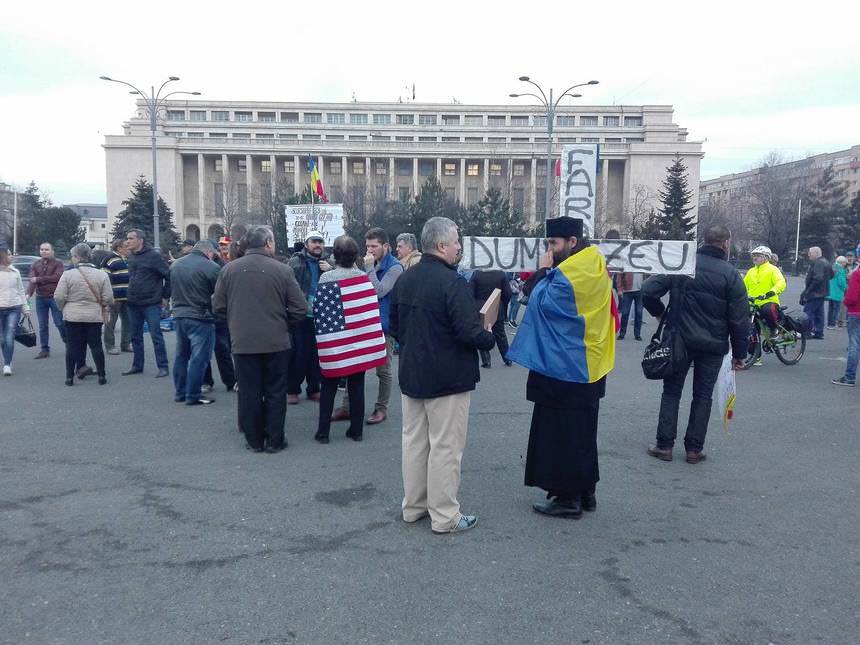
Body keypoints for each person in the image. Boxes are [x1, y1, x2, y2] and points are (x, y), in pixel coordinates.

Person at [390, 217, 495, 534]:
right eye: (455, 242)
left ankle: (414, 507)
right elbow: (469, 332)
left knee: (415, 444)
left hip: (413, 372)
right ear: (441, 246)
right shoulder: (452, 283)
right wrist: (488, 333)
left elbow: (393, 326)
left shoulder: (405, 279)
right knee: (445, 447)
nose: (459, 247)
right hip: (447, 377)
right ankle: (445, 515)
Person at [507, 216, 616, 518]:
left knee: (562, 433)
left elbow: (537, 298)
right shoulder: (594, 262)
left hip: (565, 365)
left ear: (572, 242)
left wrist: (542, 270)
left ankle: (568, 499)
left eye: (553, 244)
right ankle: (585, 491)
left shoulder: (571, 273)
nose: (550, 249)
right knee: (582, 432)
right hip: (589, 363)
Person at [643, 225, 748, 464]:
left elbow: (648, 290)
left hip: (679, 340)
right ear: (726, 243)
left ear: (704, 240)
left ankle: (664, 445)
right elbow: (739, 319)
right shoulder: (731, 274)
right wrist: (739, 354)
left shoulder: (683, 264)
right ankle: (694, 449)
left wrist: (661, 315)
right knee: (703, 395)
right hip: (713, 344)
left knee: (671, 392)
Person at [213, 225, 307, 453]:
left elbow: (218, 306)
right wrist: (283, 323)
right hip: (276, 340)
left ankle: (254, 440)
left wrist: (236, 323)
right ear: (268, 243)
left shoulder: (228, 270)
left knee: (248, 390)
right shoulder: (282, 270)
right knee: (275, 390)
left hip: (243, 341)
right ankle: (275, 439)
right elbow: (300, 308)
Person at [313, 236, 388, 444]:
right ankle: (356, 431)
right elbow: (368, 312)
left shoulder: (326, 278)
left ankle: (323, 432)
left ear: (335, 255)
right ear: (356, 256)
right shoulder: (364, 278)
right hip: (357, 342)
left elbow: (321, 312)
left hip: (334, 341)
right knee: (357, 385)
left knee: (328, 385)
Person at [333, 228, 404, 425]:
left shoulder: (395, 267)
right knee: (354, 366)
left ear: (386, 247)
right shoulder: (369, 263)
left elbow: (379, 291)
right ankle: (347, 407)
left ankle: (381, 409)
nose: (370, 250)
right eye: (368, 246)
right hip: (364, 321)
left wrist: (369, 268)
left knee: (383, 370)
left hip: (384, 325)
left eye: (374, 246)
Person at [54, 243, 114, 386]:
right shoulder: (102, 274)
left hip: (72, 316)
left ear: (76, 257)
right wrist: (102, 305)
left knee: (72, 346)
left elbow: (59, 296)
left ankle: (69, 377)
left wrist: (64, 308)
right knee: (96, 346)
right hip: (94, 316)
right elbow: (109, 298)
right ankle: (102, 376)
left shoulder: (68, 275)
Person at [170, 241, 221, 406]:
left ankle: (180, 392)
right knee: (200, 358)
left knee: (181, 355)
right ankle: (193, 394)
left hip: (179, 315)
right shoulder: (211, 267)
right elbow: (219, 294)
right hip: (201, 317)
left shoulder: (176, 264)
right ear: (208, 251)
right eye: (213, 253)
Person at [286, 230, 331, 403]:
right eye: (314, 241)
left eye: (320, 241)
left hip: (321, 315)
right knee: (298, 353)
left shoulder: (327, 262)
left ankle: (314, 388)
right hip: (300, 315)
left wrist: (331, 269)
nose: (318, 245)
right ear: (306, 244)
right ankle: (292, 389)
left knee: (316, 354)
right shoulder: (295, 262)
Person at [123, 229, 170, 377]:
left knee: (156, 336)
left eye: (131, 238)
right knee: (135, 336)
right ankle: (137, 365)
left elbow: (169, 276)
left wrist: (165, 296)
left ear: (140, 241)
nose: (127, 241)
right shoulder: (131, 257)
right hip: (133, 302)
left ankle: (163, 367)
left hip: (151, 302)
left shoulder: (153, 257)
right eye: (127, 238)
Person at [202, 238, 237, 394]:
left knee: (223, 349)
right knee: (203, 350)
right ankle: (206, 381)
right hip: (204, 312)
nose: (223, 249)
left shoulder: (223, 266)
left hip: (220, 313)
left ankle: (230, 381)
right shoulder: (205, 265)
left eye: (225, 246)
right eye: (221, 246)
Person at [26, 242, 66, 359]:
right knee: (43, 325)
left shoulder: (58, 263)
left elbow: (57, 277)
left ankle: (68, 341)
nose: (44, 251)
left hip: (54, 297)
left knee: (59, 322)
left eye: (47, 249)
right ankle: (44, 350)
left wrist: (39, 279)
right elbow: (32, 281)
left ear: (52, 251)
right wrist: (28, 294)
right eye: (42, 249)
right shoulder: (35, 264)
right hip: (40, 298)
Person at [470, 268, 512, 367]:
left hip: (481, 307)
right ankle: (507, 359)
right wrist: (502, 304)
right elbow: (508, 293)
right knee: (500, 334)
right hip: (497, 307)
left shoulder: (477, 274)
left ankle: (486, 361)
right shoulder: (501, 274)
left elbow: (470, 292)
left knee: (482, 333)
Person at [0, 245, 30, 376]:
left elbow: (21, 291)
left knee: (9, 336)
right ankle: (7, 358)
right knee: (2, 338)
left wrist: (26, 308)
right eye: (9, 254)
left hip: (14, 308)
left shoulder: (15, 272)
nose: (11, 256)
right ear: (2, 256)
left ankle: (7, 364)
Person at [101, 239, 131, 355]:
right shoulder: (109, 259)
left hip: (127, 297)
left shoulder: (127, 259)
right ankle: (110, 346)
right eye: (126, 246)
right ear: (119, 248)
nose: (128, 248)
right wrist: (107, 295)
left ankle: (126, 344)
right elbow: (104, 278)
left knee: (128, 322)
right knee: (110, 322)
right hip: (114, 297)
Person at [832, 265, 860, 386]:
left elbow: (852, 297)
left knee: (854, 345)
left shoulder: (857, 275)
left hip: (856, 312)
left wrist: (846, 302)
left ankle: (849, 377)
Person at [801, 246, 834, 340]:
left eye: (810, 253)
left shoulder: (818, 263)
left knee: (808, 312)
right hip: (822, 292)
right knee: (819, 313)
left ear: (816, 253)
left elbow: (818, 278)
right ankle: (819, 332)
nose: (808, 255)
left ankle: (807, 332)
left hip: (815, 292)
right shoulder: (826, 262)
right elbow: (832, 275)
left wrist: (808, 290)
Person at [615, 271, 645, 341]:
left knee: (639, 313)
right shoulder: (628, 261)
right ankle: (622, 333)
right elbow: (620, 275)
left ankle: (637, 335)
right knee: (625, 313)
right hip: (627, 290)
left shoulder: (643, 261)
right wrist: (619, 289)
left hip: (640, 290)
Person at [826, 256, 849, 330]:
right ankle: (833, 324)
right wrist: (846, 287)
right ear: (842, 262)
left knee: (830, 309)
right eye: (845, 263)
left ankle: (829, 324)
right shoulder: (840, 270)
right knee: (836, 310)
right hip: (838, 293)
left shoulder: (832, 268)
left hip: (830, 293)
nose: (845, 265)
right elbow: (841, 282)